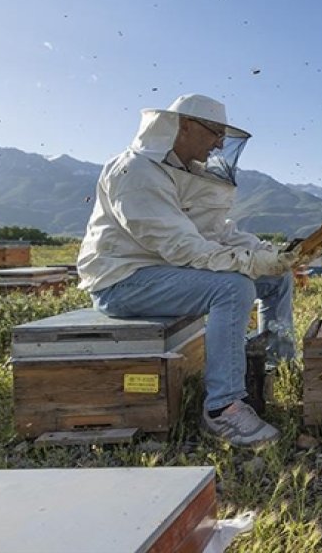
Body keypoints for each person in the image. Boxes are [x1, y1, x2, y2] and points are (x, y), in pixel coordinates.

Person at [76, 93, 304, 448]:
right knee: (234, 288)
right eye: (214, 132)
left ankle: (277, 367)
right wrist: (247, 264)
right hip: (124, 282)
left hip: (166, 274)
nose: (220, 143)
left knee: (276, 280)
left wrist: (268, 253)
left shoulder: (182, 173)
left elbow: (217, 232)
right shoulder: (135, 171)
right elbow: (182, 247)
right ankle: (223, 408)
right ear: (184, 126)